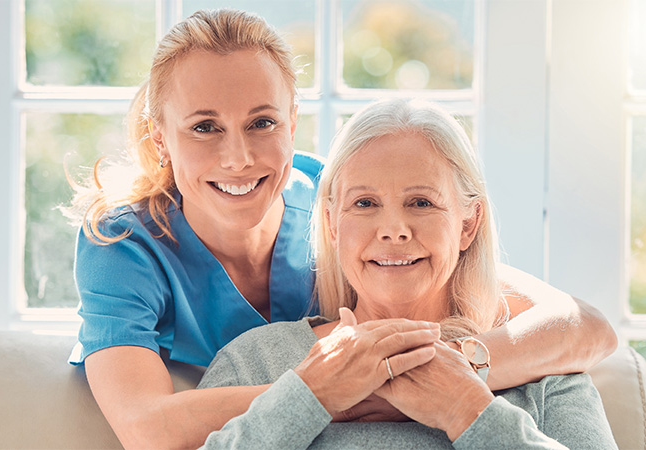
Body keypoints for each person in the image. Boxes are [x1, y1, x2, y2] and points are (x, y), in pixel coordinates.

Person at [66, 9, 616, 449]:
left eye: (262, 122)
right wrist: (327, 391)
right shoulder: (126, 248)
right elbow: (147, 428)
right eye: (205, 127)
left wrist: (463, 385)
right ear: (161, 138)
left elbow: (582, 324)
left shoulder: (333, 193)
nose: (238, 157)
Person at [197, 98, 618, 449]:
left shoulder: (543, 371)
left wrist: (468, 411)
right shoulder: (256, 361)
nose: (393, 229)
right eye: (364, 203)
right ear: (331, 224)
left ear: (467, 225)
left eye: (421, 202)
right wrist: (307, 398)